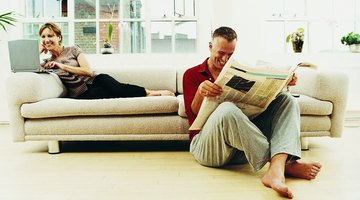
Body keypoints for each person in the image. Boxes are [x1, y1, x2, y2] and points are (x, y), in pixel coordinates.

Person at [182, 26, 321, 199]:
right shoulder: (191, 74)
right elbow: (193, 113)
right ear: (210, 46)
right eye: (220, 53)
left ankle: (276, 169)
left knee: (288, 101)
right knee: (226, 109)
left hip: (241, 149)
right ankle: (284, 165)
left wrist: (284, 82)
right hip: (208, 147)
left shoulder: (240, 70)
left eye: (230, 54)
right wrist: (200, 93)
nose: (225, 59)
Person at [38, 22, 174, 99]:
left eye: (50, 35)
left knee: (118, 88)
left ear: (59, 37)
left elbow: (88, 71)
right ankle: (149, 95)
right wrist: (38, 51)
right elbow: (22, 67)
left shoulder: (73, 50)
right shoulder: (47, 63)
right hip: (83, 93)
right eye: (43, 37)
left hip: (97, 79)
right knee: (113, 95)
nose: (46, 39)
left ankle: (152, 92)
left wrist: (62, 66)